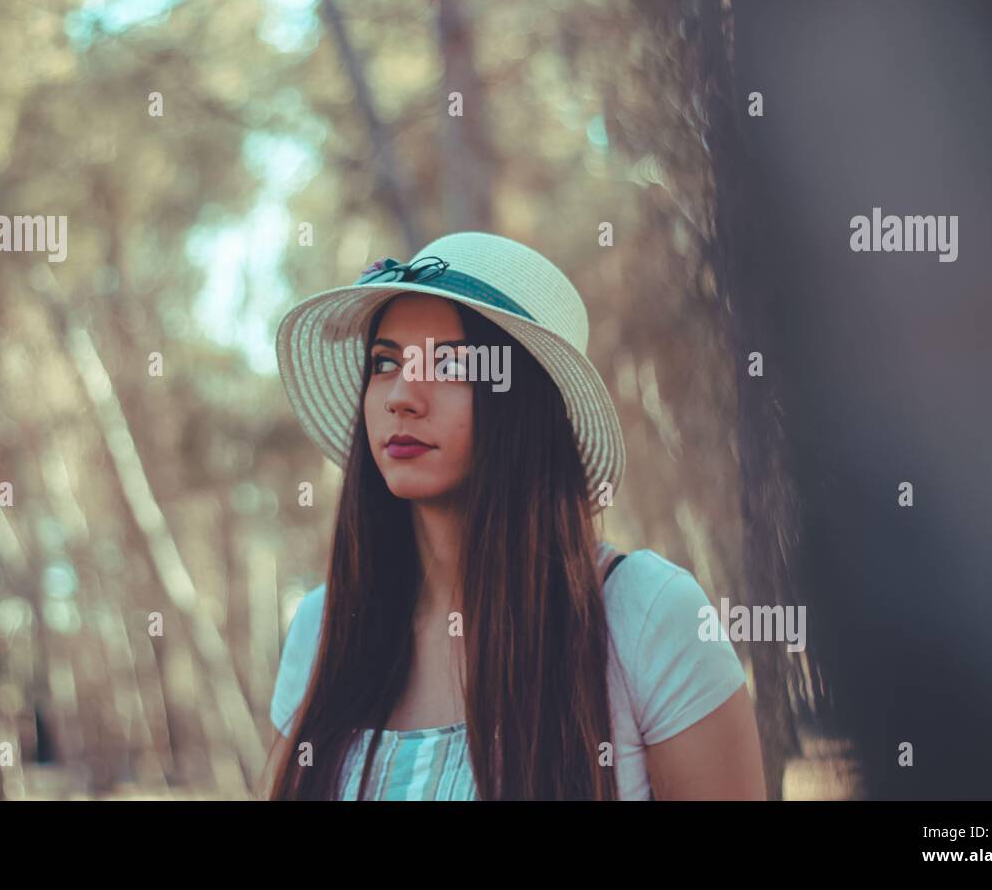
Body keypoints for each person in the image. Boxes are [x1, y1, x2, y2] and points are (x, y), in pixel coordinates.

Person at [267, 231, 765, 800]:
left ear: (523, 402)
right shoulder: (322, 627)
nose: (401, 395)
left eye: (450, 364)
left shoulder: (646, 617)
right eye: (385, 362)